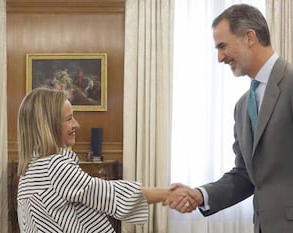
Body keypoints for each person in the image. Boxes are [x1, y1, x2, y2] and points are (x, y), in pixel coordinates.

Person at [168, 4, 293, 233]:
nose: (220, 57)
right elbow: (246, 174)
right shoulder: (243, 106)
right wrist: (200, 195)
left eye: (222, 46)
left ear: (249, 37)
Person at [17, 88, 179, 233]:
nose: (76, 124)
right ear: (49, 125)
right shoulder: (55, 167)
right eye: (69, 119)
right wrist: (167, 194)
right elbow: (109, 195)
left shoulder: (30, 169)